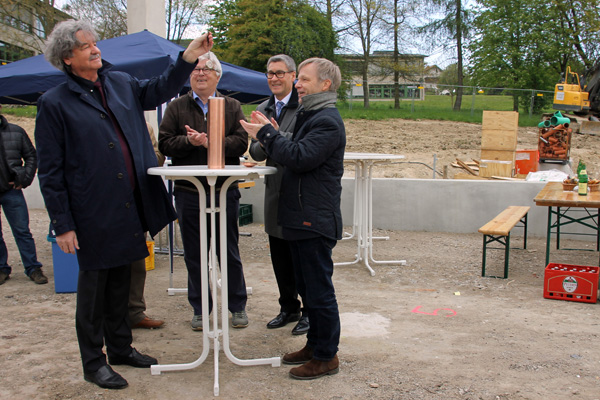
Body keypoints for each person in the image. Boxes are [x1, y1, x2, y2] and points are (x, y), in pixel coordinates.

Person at [35, 19, 213, 390]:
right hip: (92, 213)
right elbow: (50, 170)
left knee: (122, 284)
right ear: (68, 57)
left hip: (131, 205)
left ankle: (120, 348)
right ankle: (93, 362)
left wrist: (186, 59)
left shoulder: (119, 82)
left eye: (95, 42)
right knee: (95, 292)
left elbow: (158, 90)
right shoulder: (54, 103)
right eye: (87, 46)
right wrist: (63, 223)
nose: (96, 49)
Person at [240, 57, 345, 380]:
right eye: (297, 78)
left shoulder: (326, 120)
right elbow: (288, 149)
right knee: (306, 287)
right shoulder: (308, 115)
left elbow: (299, 157)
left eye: (304, 79)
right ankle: (315, 346)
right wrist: (269, 134)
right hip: (299, 216)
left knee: (318, 290)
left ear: (325, 85)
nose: (297, 83)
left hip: (313, 217)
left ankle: (327, 356)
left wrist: (267, 135)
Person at [159, 51, 249, 331]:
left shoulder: (232, 106)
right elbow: (164, 144)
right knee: (194, 254)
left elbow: (241, 143)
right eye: (196, 69)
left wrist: (212, 142)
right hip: (189, 191)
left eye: (207, 69)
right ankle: (200, 308)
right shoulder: (176, 107)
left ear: (217, 76)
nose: (200, 73)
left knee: (228, 250)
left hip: (224, 191)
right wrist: (191, 142)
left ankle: (237, 306)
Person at [248, 55, 308, 335]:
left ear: (293, 76)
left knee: (300, 255)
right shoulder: (263, 107)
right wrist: (266, 138)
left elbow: (299, 147)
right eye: (270, 73)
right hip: (274, 191)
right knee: (279, 255)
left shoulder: (305, 106)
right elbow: (256, 152)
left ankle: (310, 310)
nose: (274, 78)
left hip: (298, 191)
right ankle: (288, 307)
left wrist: (271, 135)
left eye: (280, 73)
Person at [0, 105, 46, 286]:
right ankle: (2, 269)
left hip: (12, 191)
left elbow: (31, 156)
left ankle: (33, 268)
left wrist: (24, 179)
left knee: (22, 231)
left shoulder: (15, 131)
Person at [129, 124, 165, 330]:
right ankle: (110, 315)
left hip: (135, 198)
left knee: (137, 259)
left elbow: (158, 157)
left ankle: (134, 312)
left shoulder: (143, 127)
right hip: (105, 199)